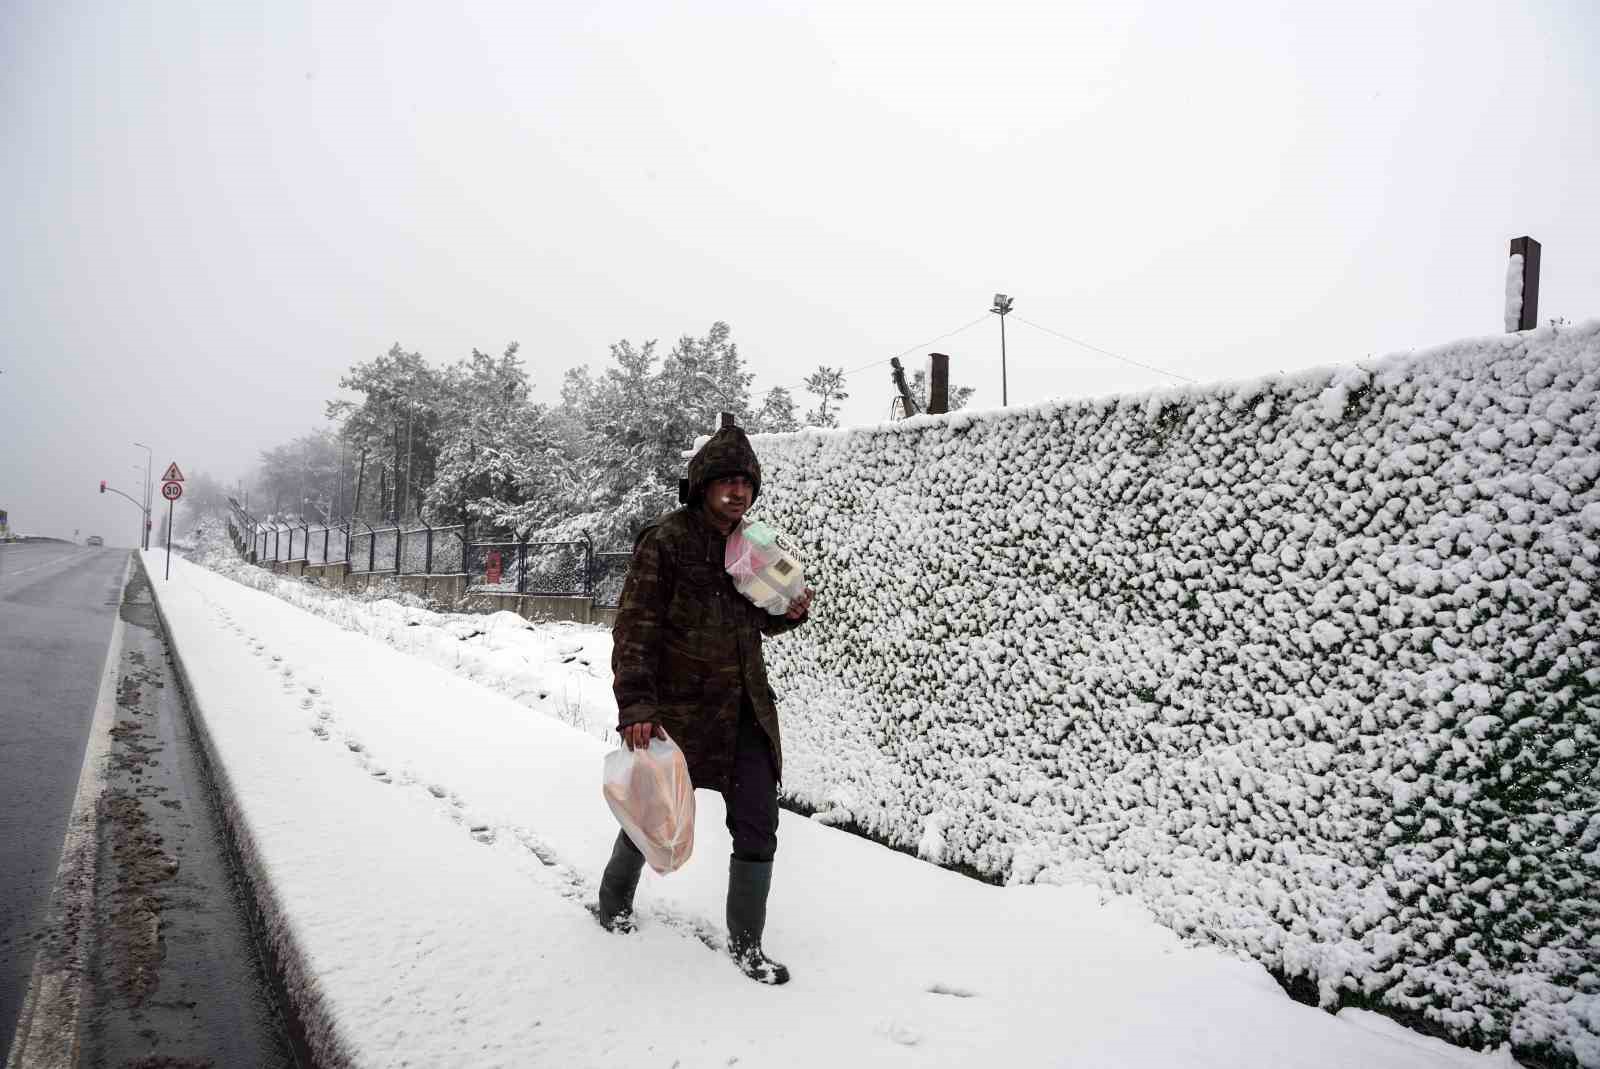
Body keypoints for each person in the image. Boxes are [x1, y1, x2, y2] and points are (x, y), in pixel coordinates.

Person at [597, 425, 813, 985]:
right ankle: (614, 902)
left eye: (745, 482)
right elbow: (635, 628)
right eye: (726, 481)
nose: (737, 492)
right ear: (703, 484)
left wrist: (786, 613)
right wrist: (637, 706)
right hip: (680, 714)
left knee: (759, 823)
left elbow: (754, 615)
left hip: (745, 710)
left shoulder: (752, 544)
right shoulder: (666, 540)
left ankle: (747, 945)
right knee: (654, 812)